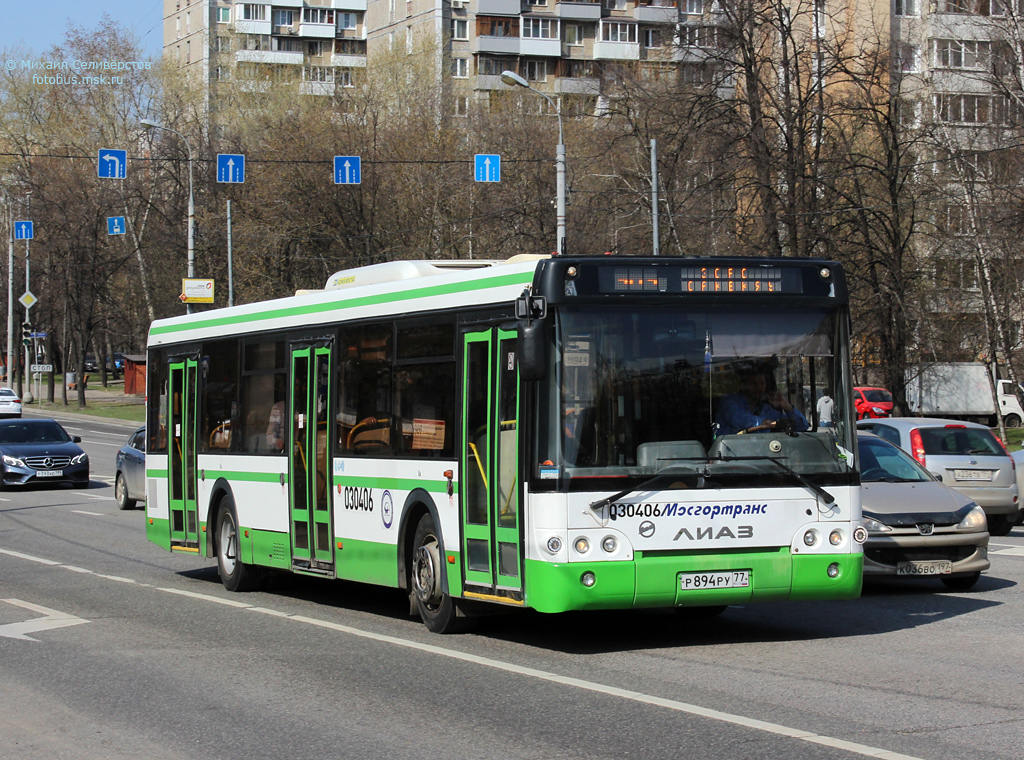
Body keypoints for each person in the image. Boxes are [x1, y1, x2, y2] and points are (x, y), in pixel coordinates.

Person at [715, 369, 809, 436]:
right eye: (753, 383)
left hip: (760, 458)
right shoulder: (728, 401)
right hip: (727, 457)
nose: (759, 387)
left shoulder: (767, 410)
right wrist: (764, 422)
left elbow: (802, 426)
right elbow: (739, 419)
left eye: (762, 383)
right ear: (743, 385)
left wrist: (786, 406)